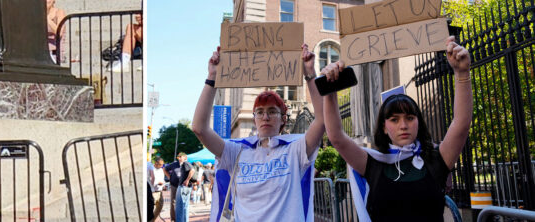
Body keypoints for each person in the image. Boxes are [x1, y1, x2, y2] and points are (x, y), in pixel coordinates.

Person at [322, 36, 471, 222]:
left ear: (419, 122)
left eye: (410, 117)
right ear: (384, 128)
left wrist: (462, 73)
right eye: (394, 119)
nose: (403, 125)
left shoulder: (437, 160)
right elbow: (336, 137)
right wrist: (329, 90)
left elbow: (461, 124)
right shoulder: (373, 164)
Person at [193, 44, 324, 221]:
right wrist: (212, 78)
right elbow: (199, 128)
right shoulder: (236, 151)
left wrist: (309, 74)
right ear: (254, 118)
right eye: (260, 112)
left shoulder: (296, 150)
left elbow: (323, 120)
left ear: (283, 119)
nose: (265, 117)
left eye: (272, 112)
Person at [163, 153, 194, 222]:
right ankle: (174, 219)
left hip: (183, 186)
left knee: (182, 202)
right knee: (173, 202)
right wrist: (169, 177)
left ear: (185, 158)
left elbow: (192, 171)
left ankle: (181, 218)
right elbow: (164, 169)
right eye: (178, 157)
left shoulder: (186, 164)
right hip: (174, 184)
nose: (179, 158)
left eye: (181, 156)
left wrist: (187, 180)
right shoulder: (174, 164)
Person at [45, 0, 65, 64]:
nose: (45, 1)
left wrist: (47, 19)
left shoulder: (59, 12)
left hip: (54, 53)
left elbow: (59, 32)